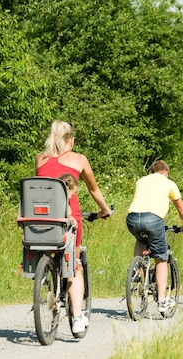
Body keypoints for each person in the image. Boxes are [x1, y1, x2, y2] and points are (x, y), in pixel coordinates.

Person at [36, 120, 113, 333]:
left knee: (50, 252)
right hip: (69, 221)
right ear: (70, 140)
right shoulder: (79, 159)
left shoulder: (40, 158)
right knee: (74, 266)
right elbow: (94, 190)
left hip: (41, 222)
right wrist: (105, 210)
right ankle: (78, 317)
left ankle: (47, 279)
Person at [126, 160, 183, 313]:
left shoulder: (141, 181)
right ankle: (162, 301)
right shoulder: (169, 183)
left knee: (140, 240)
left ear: (152, 171)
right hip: (154, 219)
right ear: (166, 172)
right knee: (161, 258)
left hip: (132, 219)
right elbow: (181, 209)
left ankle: (137, 271)